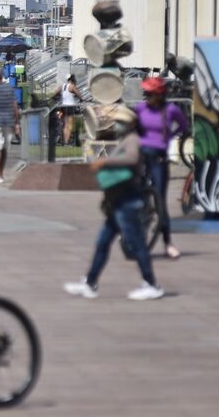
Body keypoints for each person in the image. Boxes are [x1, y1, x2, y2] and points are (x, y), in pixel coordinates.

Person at [64, 106, 164, 301]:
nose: (117, 125)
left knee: (137, 244)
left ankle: (152, 284)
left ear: (131, 124)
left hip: (128, 201)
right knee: (103, 243)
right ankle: (90, 283)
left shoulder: (132, 140)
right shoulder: (126, 139)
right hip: (118, 202)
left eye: (121, 122)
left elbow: (132, 158)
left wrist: (105, 163)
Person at [136, 77, 189, 259]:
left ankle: (168, 243)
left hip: (159, 157)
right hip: (141, 154)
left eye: (150, 94)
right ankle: (130, 228)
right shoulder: (140, 108)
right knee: (133, 193)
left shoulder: (170, 110)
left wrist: (169, 137)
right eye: (145, 93)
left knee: (160, 201)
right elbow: (131, 127)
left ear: (159, 95)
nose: (147, 97)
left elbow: (184, 125)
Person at [61, 74, 81, 146]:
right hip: (70, 107)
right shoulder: (72, 86)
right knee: (69, 125)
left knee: (65, 125)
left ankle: (65, 141)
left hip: (63, 106)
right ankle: (67, 142)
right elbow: (79, 94)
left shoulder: (63, 86)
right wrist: (81, 98)